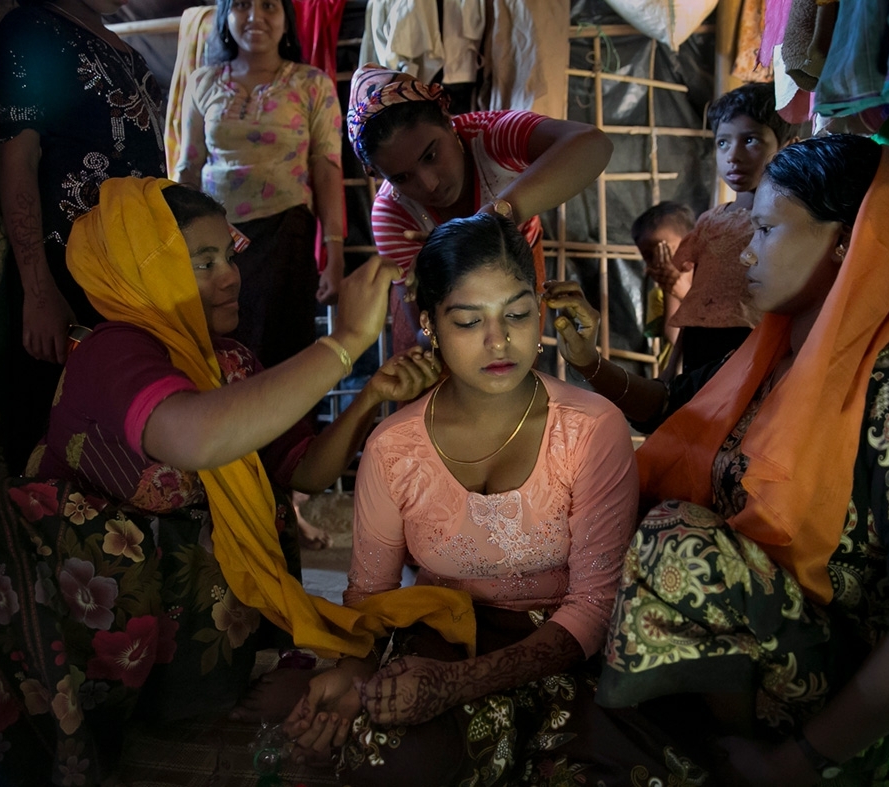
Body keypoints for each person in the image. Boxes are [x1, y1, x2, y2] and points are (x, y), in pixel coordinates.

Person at [0, 178, 478, 785]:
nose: (229, 276)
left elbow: (304, 470)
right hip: (113, 620)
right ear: (141, 271)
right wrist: (342, 343)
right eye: (201, 263)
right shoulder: (113, 350)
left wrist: (367, 401)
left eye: (226, 256)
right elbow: (195, 438)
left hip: (202, 628)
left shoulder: (231, 360)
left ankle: (217, 678)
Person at [545, 135, 889, 785]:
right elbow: (672, 410)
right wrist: (590, 364)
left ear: (846, 241)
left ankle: (720, 755)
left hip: (818, 705)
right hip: (732, 652)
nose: (747, 250)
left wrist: (796, 761)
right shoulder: (770, 356)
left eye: (767, 229)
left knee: (675, 539)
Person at [282, 213, 709, 785]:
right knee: (391, 764)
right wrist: (351, 670)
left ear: (542, 311)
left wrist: (459, 685)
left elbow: (593, 605)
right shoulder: (394, 449)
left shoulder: (589, 429)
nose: (498, 341)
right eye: (467, 321)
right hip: (444, 639)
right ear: (430, 323)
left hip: (566, 651)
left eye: (516, 313)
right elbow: (373, 598)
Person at [0, 0, 168, 468]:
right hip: (68, 276)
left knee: (119, 439)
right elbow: (18, 161)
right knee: (55, 439)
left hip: (130, 277)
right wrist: (38, 290)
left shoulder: (123, 48)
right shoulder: (33, 28)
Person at [346, 65, 614, 353]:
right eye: (401, 178)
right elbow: (422, 335)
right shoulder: (394, 215)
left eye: (431, 155)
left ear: (448, 120)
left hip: (517, 255)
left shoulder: (492, 136)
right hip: (444, 296)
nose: (429, 183)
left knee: (520, 360)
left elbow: (594, 144)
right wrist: (443, 336)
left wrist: (493, 218)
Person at [177, 0, 344, 369]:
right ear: (225, 17)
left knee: (285, 359)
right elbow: (188, 166)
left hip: (286, 237)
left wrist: (335, 254)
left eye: (269, 6)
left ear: (287, 19)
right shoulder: (202, 82)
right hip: (216, 245)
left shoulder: (311, 83)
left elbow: (327, 168)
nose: (255, 17)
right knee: (218, 357)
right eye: (241, 6)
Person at [647, 83, 795, 374]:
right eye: (723, 143)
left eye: (750, 140)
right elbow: (697, 301)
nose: (733, 156)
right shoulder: (710, 222)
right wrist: (671, 367)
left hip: (755, 346)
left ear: (787, 147)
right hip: (701, 349)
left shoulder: (787, 224)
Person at [631, 201, 696, 359]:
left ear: (689, 242)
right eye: (648, 256)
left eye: (664, 251)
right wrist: (670, 289)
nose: (657, 261)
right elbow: (672, 335)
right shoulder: (659, 292)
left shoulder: (706, 277)